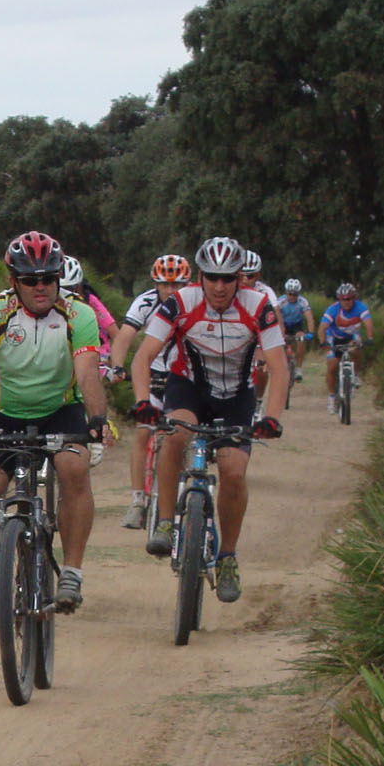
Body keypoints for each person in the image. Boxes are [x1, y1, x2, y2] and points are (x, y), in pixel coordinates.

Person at [0, 231, 109, 625]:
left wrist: (97, 419)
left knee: (73, 469)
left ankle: (72, 572)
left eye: (49, 278)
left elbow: (87, 374)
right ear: (14, 280)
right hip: (4, 412)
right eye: (31, 280)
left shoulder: (78, 314)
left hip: (61, 410)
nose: (42, 287)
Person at [128, 235, 288, 604]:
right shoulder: (181, 302)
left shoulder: (258, 305)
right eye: (211, 277)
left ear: (240, 278)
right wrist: (142, 401)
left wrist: (272, 418)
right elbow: (143, 356)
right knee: (175, 434)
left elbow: (279, 367)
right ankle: (166, 521)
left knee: (233, 472)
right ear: (199, 276)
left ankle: (228, 557)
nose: (219, 286)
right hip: (189, 387)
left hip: (236, 396)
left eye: (228, 278)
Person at [112, 254, 191, 530]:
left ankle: (182, 496)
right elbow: (124, 336)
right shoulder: (145, 302)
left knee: (181, 435)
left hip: (184, 375)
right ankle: (137, 501)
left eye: (177, 285)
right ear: (155, 284)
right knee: (144, 431)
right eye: (165, 285)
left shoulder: (194, 301)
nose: (171, 291)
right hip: (154, 374)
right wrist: (118, 366)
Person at [319, 282, 374, 414]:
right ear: (339, 299)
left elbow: (368, 323)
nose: (346, 302)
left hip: (352, 337)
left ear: (354, 298)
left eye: (349, 299)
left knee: (356, 349)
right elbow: (322, 328)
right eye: (343, 299)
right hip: (334, 337)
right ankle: (332, 397)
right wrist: (323, 342)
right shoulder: (333, 309)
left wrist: (370, 337)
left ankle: (355, 375)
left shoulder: (360, 307)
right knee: (332, 366)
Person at [59, 255, 119, 364]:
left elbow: (116, 334)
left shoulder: (90, 301)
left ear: (79, 287)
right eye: (60, 290)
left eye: (70, 289)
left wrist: (115, 362)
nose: (65, 295)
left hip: (97, 352)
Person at [275, 277, 312, 391]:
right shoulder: (280, 301)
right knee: (280, 347)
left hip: (296, 326)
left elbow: (309, 318)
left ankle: (298, 369)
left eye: (295, 294)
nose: (292, 296)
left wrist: (311, 332)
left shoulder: (302, 302)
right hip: (283, 325)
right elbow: (274, 316)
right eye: (290, 294)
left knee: (301, 339)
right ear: (286, 292)